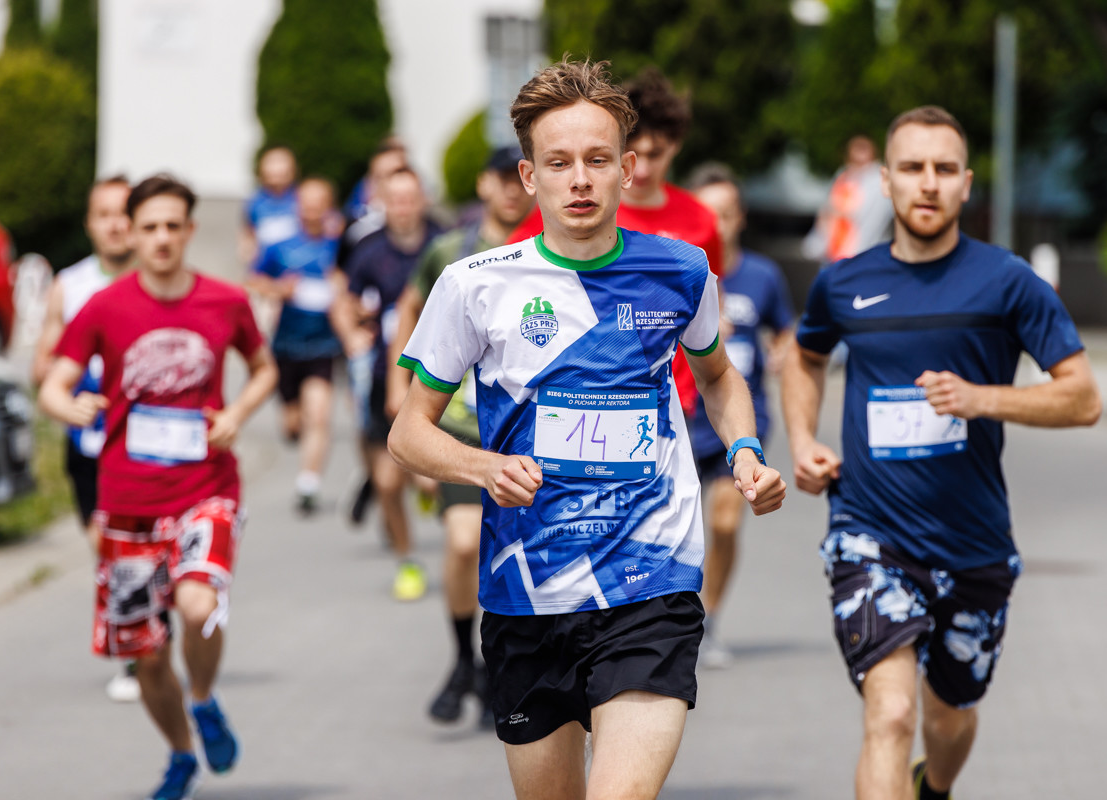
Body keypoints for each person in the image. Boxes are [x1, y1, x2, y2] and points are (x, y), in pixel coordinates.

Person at [389, 59, 785, 800]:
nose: (579, 179)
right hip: (528, 591)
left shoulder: (681, 270)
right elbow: (408, 433)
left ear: (627, 170)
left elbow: (718, 375)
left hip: (650, 580)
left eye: (598, 160)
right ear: (529, 176)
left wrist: (745, 450)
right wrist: (482, 468)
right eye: (559, 162)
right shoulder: (475, 284)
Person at [781, 106, 1101, 800]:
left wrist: (982, 398)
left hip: (974, 545)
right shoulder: (844, 282)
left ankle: (935, 788)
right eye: (912, 167)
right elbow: (804, 358)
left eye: (944, 169)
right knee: (891, 713)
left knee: (949, 718)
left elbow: (1082, 398)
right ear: (886, 181)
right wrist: (803, 441)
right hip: (870, 534)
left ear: (966, 183)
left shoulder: (1008, 281)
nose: (928, 183)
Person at [38, 174, 278, 800]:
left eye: (173, 225)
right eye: (150, 227)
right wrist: (70, 408)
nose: (162, 238)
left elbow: (263, 369)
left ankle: (204, 699)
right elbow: (53, 384)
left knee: (198, 606)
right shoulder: (104, 306)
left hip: (207, 487)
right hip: (128, 501)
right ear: (132, 233)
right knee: (146, 656)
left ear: (190, 230)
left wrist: (236, 414)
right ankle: (179, 755)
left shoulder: (225, 301)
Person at [388, 145, 535, 726]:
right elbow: (410, 308)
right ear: (483, 185)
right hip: (460, 426)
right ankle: (461, 657)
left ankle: (507, 665)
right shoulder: (450, 252)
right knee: (462, 542)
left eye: (518, 179)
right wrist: (401, 386)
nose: (510, 190)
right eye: (500, 179)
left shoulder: (547, 251)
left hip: (523, 432)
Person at [508, 66, 723, 419]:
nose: (645, 169)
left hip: (678, 403)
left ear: (675, 146)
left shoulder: (702, 220)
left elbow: (711, 299)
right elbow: (515, 279)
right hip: (583, 402)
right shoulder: (574, 212)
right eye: (638, 152)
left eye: (656, 153)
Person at [31, 175, 138, 702]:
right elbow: (42, 365)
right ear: (89, 224)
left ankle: (136, 652)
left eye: (124, 213)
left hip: (148, 446)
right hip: (89, 443)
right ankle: (139, 640)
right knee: (105, 545)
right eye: (104, 214)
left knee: (139, 545)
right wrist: (68, 391)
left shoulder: (158, 281)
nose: (115, 225)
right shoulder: (69, 286)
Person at [686, 163, 796, 669]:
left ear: (741, 217)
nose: (719, 224)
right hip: (683, 419)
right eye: (709, 214)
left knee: (726, 522)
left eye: (727, 213)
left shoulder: (762, 275)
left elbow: (786, 329)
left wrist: (783, 351)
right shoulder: (679, 271)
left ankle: (708, 620)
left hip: (740, 421)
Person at [332, 166, 443, 601]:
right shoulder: (369, 251)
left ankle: (428, 485)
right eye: (394, 200)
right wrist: (351, 333)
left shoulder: (444, 243)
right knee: (387, 481)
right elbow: (345, 301)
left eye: (409, 199)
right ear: (383, 203)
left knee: (429, 477)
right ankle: (407, 561)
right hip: (386, 375)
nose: (403, 208)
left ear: (422, 200)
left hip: (443, 378)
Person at [247, 177, 344, 514]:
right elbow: (253, 280)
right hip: (287, 345)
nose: (313, 211)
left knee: (319, 415)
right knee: (292, 425)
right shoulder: (279, 246)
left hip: (324, 345)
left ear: (329, 207)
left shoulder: (338, 246)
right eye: (307, 204)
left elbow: (354, 284)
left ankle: (308, 482)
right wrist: (279, 290)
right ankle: (293, 424)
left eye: (320, 204)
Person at [802, 134, 894, 266]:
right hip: (835, 251)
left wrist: (843, 211)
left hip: (862, 251)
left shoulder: (877, 179)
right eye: (857, 148)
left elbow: (873, 215)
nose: (860, 153)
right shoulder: (843, 175)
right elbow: (828, 209)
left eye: (864, 148)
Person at [239, 146, 299, 267]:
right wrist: (248, 254)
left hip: (294, 269)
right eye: (271, 162)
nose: (276, 168)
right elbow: (248, 233)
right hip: (263, 269)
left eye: (281, 161)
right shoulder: (255, 201)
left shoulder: (300, 198)